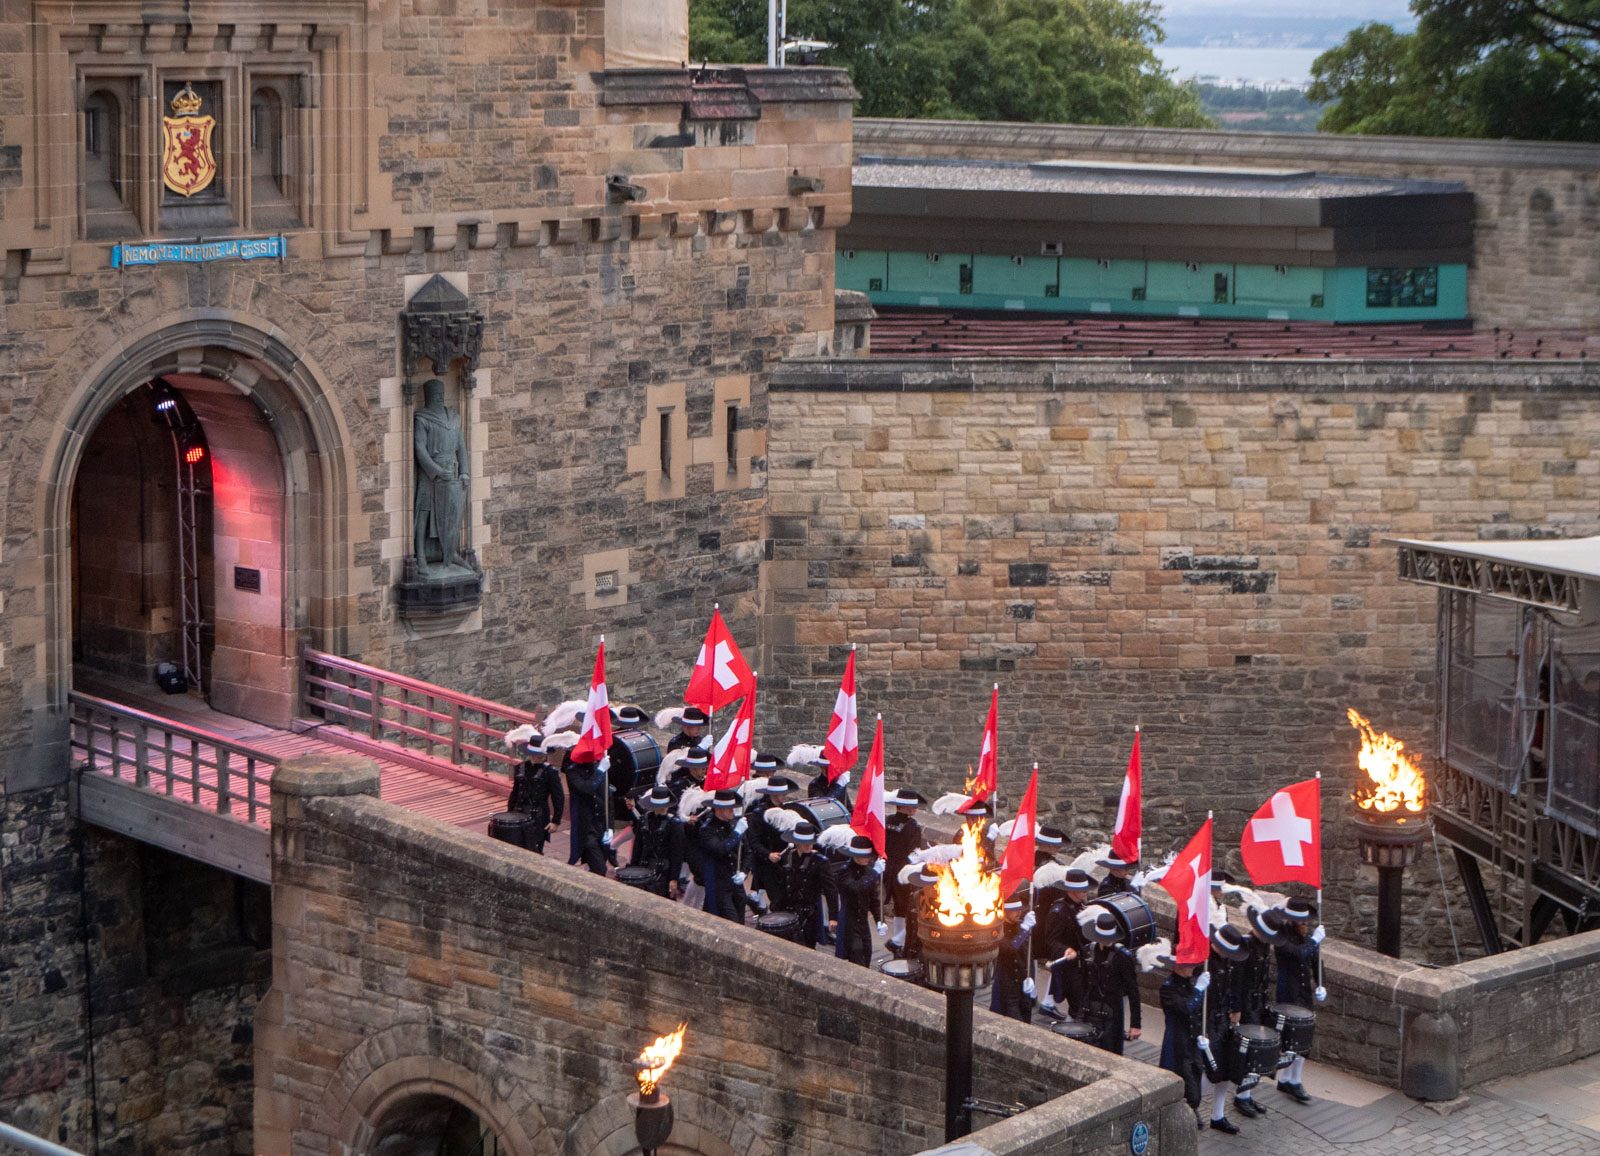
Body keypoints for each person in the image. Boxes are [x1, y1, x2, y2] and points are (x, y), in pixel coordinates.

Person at [412, 378, 470, 573]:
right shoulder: (422, 418)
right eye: (435, 395)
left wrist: (464, 472)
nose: (438, 398)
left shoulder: (454, 418)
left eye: (440, 395)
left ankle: (450, 552)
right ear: (429, 397)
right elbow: (420, 448)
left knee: (452, 513)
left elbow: (461, 447)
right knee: (424, 511)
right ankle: (421, 556)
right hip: (430, 474)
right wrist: (436, 470)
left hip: (451, 471)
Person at [1273, 897, 1325, 1105]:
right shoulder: (1282, 938)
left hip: (1304, 993)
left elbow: (1315, 961)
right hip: (1289, 993)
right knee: (1292, 1035)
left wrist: (1321, 983)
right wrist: (1314, 941)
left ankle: (1293, 1078)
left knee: (1305, 1035)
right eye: (1302, 922)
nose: (1306, 925)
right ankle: (1288, 1078)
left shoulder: (1306, 938)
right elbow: (1298, 954)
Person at [1234, 905, 1285, 1119]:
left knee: (1257, 1052)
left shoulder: (1264, 947)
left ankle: (1247, 1093)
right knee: (1249, 1052)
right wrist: (1236, 1008)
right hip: (1246, 1005)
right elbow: (1236, 981)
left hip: (1257, 1003)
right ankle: (1241, 1095)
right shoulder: (1245, 945)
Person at [1203, 923, 1253, 1134]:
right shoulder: (1204, 961)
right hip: (1208, 1021)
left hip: (1223, 1019)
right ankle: (1191, 1105)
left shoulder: (1228, 961)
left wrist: (1235, 1009)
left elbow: (1234, 986)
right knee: (1210, 1068)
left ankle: (1218, 1114)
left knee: (1225, 1068)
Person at [1079, 907, 1141, 1056]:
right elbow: (1082, 982)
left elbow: (1133, 990)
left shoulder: (1122, 957)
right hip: (1089, 1008)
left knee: (1108, 1052)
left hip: (1112, 1012)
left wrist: (1135, 1024)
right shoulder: (1089, 950)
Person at [1157, 954, 1209, 1130]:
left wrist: (1204, 1033)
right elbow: (1185, 1009)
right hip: (1177, 1041)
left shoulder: (1190, 983)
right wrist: (1199, 990)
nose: (1192, 969)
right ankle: (1184, 1108)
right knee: (1181, 1074)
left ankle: (1192, 1107)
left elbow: (1198, 1012)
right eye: (1188, 966)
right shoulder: (1168, 988)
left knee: (1196, 1071)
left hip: (1193, 1039)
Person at [1039, 868, 1094, 1019]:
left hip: (1083, 965)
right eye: (1082, 890)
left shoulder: (1082, 907)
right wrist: (1066, 950)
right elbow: (1051, 941)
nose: (1086, 893)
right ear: (1071, 891)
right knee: (1078, 1007)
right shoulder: (1058, 912)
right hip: (1069, 968)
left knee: (1085, 1006)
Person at [696, 789, 750, 924]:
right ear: (719, 809)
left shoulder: (735, 825)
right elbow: (720, 849)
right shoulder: (707, 830)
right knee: (730, 921)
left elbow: (747, 852)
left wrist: (744, 872)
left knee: (740, 921)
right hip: (718, 884)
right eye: (729, 808)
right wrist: (737, 833)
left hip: (735, 883)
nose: (732, 811)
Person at [884, 789, 926, 953]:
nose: (915, 809)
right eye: (912, 807)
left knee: (898, 907)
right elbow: (914, 853)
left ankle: (897, 940)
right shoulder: (913, 826)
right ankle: (899, 941)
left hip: (888, 869)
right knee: (909, 909)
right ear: (904, 807)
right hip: (904, 872)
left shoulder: (888, 821)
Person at [506, 732, 564, 854]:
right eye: (537, 755)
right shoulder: (520, 768)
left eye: (542, 755)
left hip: (538, 816)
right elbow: (515, 792)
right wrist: (509, 813)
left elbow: (558, 797)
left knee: (535, 848)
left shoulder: (550, 772)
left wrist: (555, 821)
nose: (541, 757)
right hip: (518, 812)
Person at [748, 772, 798, 910]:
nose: (785, 796)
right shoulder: (759, 813)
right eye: (783, 793)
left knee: (787, 896)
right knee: (777, 898)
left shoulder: (787, 811)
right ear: (774, 794)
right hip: (766, 863)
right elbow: (753, 840)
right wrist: (768, 854)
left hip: (785, 861)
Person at [778, 822, 831, 948]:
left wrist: (833, 917)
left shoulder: (819, 861)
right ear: (797, 843)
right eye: (804, 842)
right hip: (788, 909)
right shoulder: (788, 856)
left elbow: (830, 890)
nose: (809, 845)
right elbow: (782, 884)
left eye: (810, 842)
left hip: (809, 912)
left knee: (807, 945)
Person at [989, 886, 1038, 1023]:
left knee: (1026, 1023)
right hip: (1007, 989)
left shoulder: (1021, 927)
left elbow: (1029, 957)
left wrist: (1031, 978)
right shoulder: (997, 929)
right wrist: (1024, 929)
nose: (1019, 913)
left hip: (1023, 988)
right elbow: (1009, 948)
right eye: (1015, 910)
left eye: (1020, 909)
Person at [834, 834, 885, 966]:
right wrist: (874, 873)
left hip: (863, 923)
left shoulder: (868, 872)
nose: (868, 859)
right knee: (856, 956)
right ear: (856, 856)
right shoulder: (844, 872)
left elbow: (874, 900)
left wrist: (880, 920)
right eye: (865, 856)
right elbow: (856, 888)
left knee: (866, 953)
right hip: (849, 923)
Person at [629, 785, 687, 898]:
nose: (662, 808)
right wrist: (632, 869)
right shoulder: (644, 820)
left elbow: (677, 854)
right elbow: (637, 847)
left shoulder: (674, 824)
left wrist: (674, 878)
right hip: (643, 868)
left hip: (663, 872)